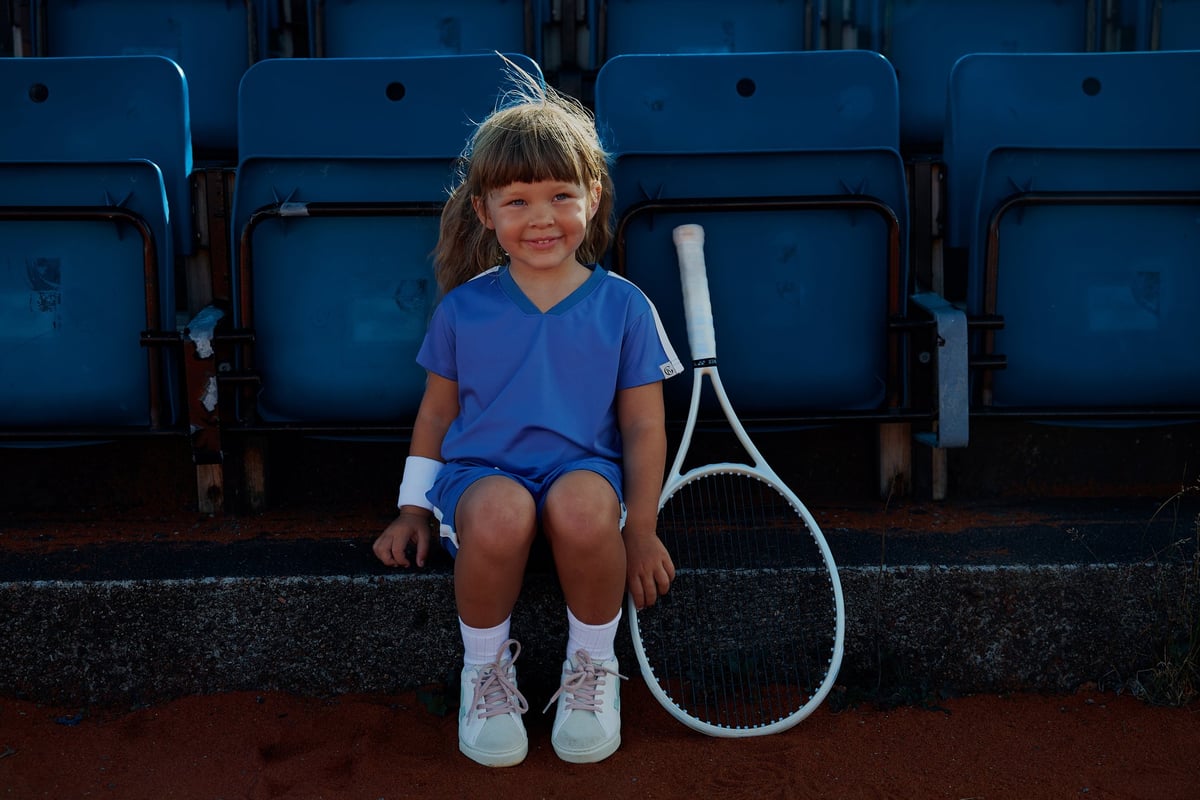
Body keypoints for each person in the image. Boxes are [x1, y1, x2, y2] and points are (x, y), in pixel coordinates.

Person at [372, 61, 682, 768]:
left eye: (560, 195)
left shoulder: (626, 307)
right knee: (504, 511)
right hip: (483, 479)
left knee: (579, 506)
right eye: (515, 200)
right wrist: (412, 511)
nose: (540, 217)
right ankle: (483, 671)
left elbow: (642, 427)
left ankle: (592, 670)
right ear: (483, 211)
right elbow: (436, 416)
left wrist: (644, 529)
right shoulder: (463, 310)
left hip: (585, 476)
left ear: (594, 197)